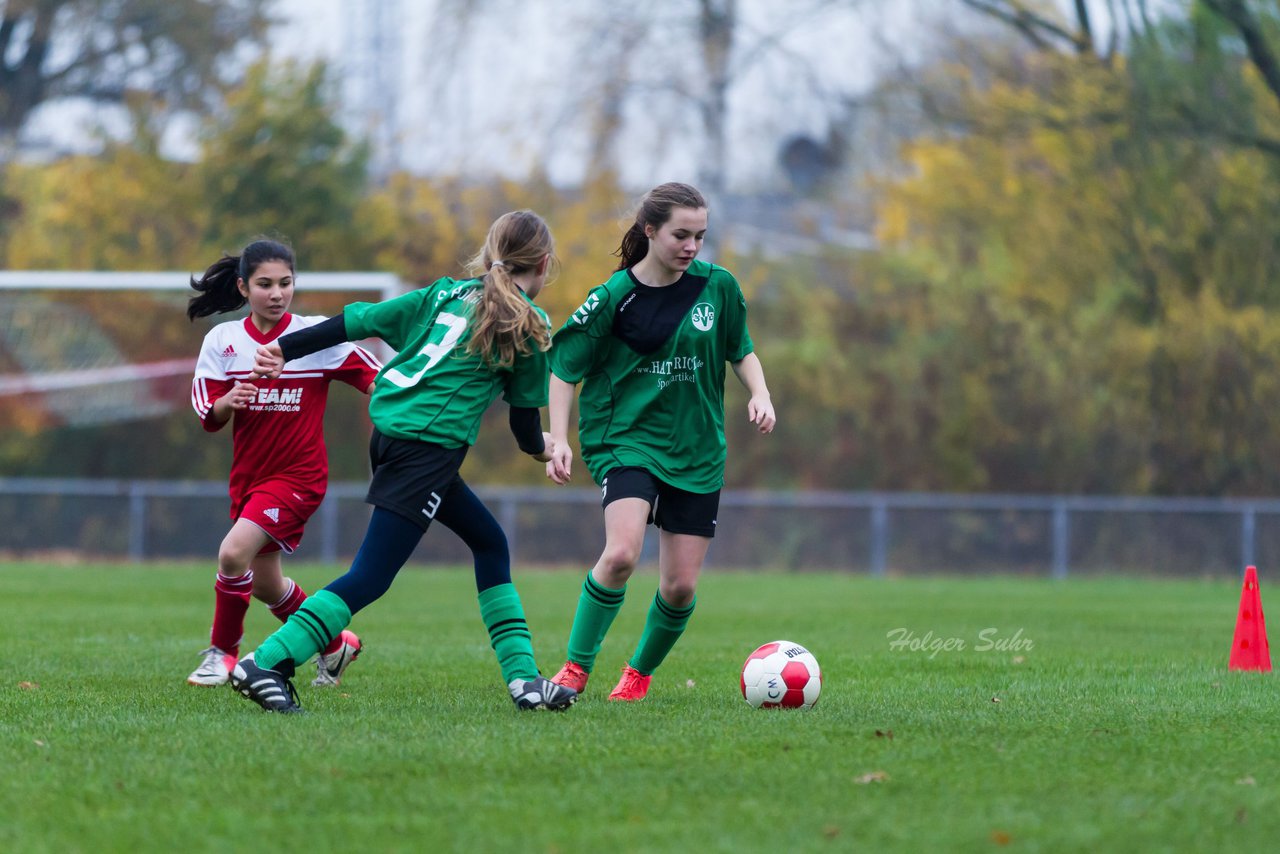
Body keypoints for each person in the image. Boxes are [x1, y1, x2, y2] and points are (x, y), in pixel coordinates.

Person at [229, 210, 577, 713]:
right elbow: (525, 430)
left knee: (489, 541)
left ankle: (524, 679)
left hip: (394, 435)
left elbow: (358, 320)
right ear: (544, 264)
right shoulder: (527, 321)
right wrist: (550, 447)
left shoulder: (444, 293)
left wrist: (285, 346)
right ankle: (268, 662)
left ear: (490, 252)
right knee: (371, 575)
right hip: (424, 449)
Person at [545, 182, 776, 701]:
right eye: (680, 235)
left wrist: (760, 393)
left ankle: (636, 677)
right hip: (625, 440)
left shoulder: (718, 287)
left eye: (700, 236)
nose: (692, 246)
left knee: (679, 587)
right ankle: (575, 670)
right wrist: (558, 437)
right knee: (623, 553)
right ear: (650, 231)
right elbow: (563, 368)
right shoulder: (612, 297)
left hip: (697, 448)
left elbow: (741, 349)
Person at [187, 239, 381, 688]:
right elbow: (205, 410)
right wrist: (228, 402)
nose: (277, 293)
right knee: (264, 584)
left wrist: (407, 403)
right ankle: (335, 644)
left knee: (234, 554)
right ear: (243, 286)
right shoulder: (224, 340)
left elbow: (380, 380)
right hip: (250, 479)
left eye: (286, 283)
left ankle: (223, 655)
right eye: (265, 284)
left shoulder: (316, 337)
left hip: (299, 477)